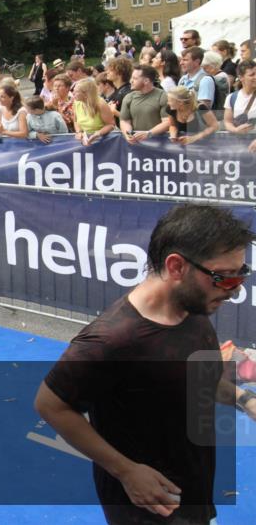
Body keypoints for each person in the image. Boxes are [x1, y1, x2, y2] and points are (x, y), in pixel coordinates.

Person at [35, 204, 256, 525]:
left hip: (194, 491)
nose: (235, 289)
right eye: (223, 278)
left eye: (241, 274)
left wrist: (244, 399)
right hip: (149, 508)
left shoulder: (193, 310)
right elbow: (50, 405)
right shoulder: (111, 339)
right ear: (177, 266)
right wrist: (125, 471)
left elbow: (197, 379)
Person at [120, 65, 170, 144]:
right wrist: (128, 135)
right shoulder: (129, 97)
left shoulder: (162, 96)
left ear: (146, 81)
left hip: (159, 145)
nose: (131, 81)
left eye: (135, 78)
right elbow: (124, 121)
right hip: (136, 146)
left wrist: (149, 133)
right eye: (131, 78)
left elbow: (167, 122)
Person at [72, 78, 115, 147]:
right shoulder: (76, 103)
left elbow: (111, 125)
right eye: (73, 91)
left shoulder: (100, 104)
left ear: (86, 94)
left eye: (76, 92)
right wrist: (79, 132)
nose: (73, 94)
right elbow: (75, 121)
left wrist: (97, 134)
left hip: (105, 141)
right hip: (87, 141)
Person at [224, 59, 256, 135]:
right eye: (252, 75)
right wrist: (235, 130)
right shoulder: (232, 97)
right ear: (241, 77)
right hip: (240, 143)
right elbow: (227, 121)